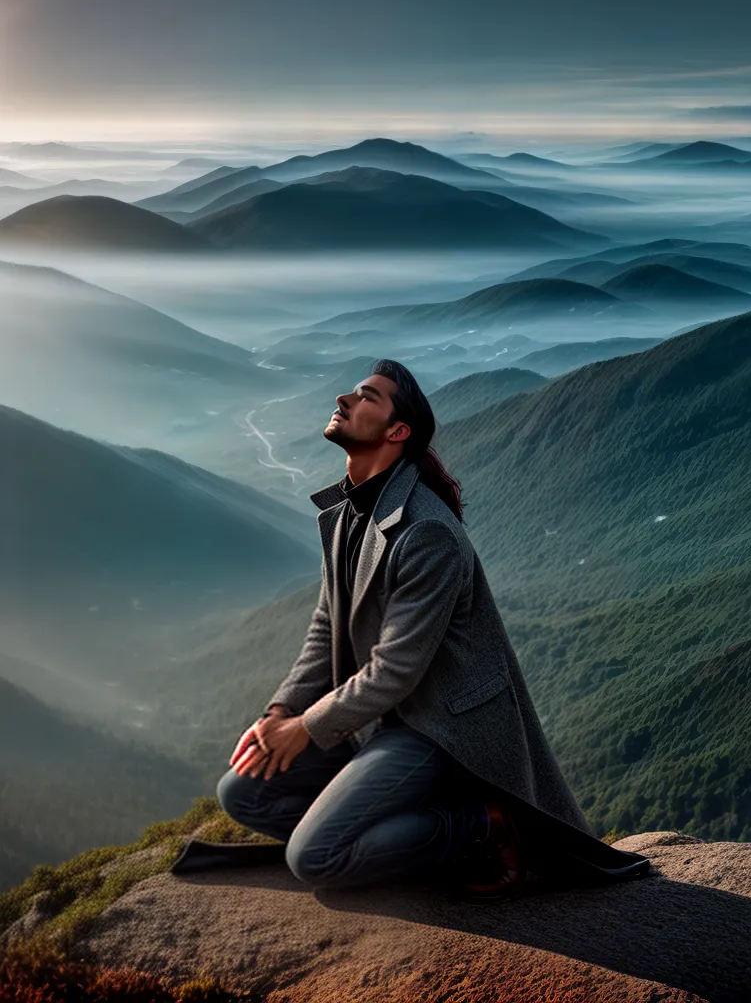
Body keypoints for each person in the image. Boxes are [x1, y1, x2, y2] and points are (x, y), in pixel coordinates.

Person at [215, 358, 650, 901]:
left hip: (438, 730)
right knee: (244, 791)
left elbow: (394, 672)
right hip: (384, 722)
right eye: (353, 392)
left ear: (397, 433)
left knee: (314, 856)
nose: (345, 400)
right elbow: (327, 627)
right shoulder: (349, 512)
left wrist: (304, 728)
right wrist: (279, 713)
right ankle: (391, 829)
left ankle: (481, 823)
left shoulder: (425, 532)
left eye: (366, 397)